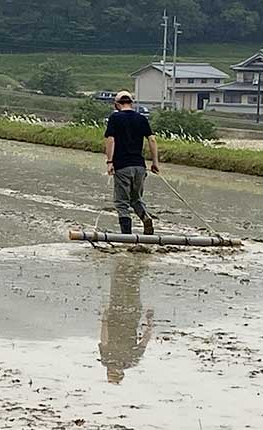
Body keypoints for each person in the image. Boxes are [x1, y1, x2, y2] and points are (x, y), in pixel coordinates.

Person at [104, 90, 160, 235]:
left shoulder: (115, 118)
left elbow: (111, 139)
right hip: (140, 166)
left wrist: (110, 162)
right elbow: (152, 140)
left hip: (122, 166)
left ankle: (126, 236)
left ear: (117, 104)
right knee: (136, 199)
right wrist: (155, 162)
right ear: (131, 103)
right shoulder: (141, 118)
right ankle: (145, 217)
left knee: (121, 203)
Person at [98, 256, 154, 384]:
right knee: (118, 287)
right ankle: (124, 262)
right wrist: (104, 319)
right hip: (116, 316)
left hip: (131, 318)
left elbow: (145, 340)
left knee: (133, 288)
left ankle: (136, 263)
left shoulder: (131, 361)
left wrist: (150, 323)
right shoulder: (107, 360)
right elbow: (104, 339)